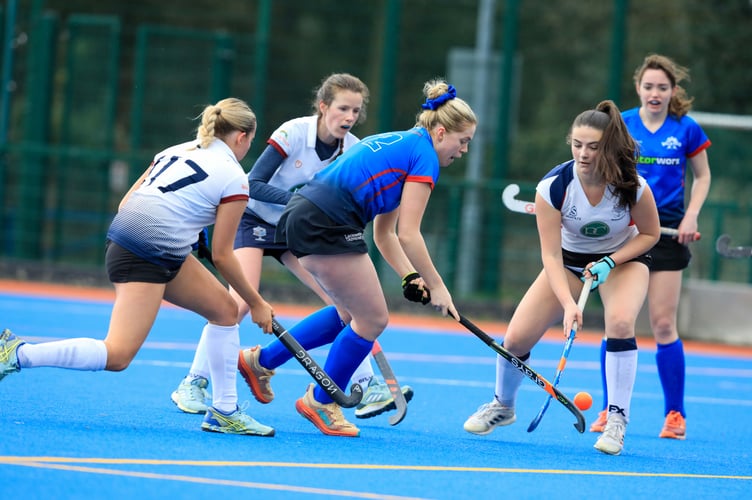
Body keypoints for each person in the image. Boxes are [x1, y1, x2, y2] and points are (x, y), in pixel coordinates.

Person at [0, 98, 277, 437]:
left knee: (225, 310)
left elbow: (125, 203)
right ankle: (18, 352)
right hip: (143, 253)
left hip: (141, 243)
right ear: (242, 137)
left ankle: (224, 412)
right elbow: (222, 255)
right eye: (251, 141)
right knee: (118, 354)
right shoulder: (235, 177)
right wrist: (259, 302)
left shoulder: (176, 150)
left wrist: (185, 234)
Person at [237, 79, 477, 437]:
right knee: (373, 318)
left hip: (308, 214)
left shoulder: (405, 143)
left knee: (348, 314)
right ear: (441, 132)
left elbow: (385, 234)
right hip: (325, 220)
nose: (464, 151)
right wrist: (440, 287)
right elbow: (410, 234)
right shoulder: (425, 156)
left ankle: (261, 361)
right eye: (463, 141)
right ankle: (320, 400)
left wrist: (411, 277)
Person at [170, 73, 413, 420]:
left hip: (295, 231)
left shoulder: (355, 148)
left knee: (345, 306)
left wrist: (307, 210)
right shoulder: (294, 132)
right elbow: (251, 182)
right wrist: (303, 203)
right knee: (237, 305)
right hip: (253, 220)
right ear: (323, 106)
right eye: (343, 108)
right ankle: (193, 381)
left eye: (356, 111)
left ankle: (366, 383)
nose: (349, 117)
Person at [463, 100, 661, 456]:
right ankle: (503, 405)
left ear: (610, 148)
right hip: (567, 263)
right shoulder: (553, 187)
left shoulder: (633, 186)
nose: (583, 154)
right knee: (515, 338)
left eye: (594, 147)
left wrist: (610, 262)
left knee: (619, 322)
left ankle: (616, 419)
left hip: (623, 260)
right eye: (577, 144)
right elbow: (551, 255)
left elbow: (650, 234)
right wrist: (569, 305)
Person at [590, 54, 712, 440]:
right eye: (648, 86)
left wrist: (691, 215)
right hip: (627, 235)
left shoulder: (686, 128)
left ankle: (675, 414)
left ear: (673, 91)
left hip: (668, 234)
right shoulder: (621, 124)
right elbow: (599, 167)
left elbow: (703, 176)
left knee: (662, 324)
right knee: (617, 324)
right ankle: (612, 412)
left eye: (662, 87)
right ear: (638, 88)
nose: (655, 93)